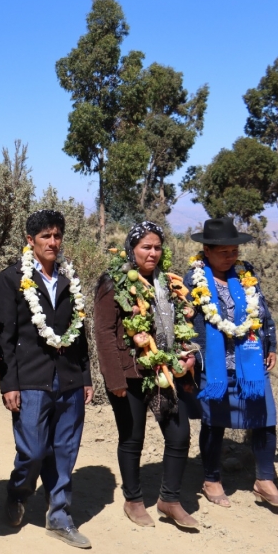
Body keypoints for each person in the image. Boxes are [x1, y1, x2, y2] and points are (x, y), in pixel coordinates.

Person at [0, 209, 93, 549]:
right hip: (31, 378)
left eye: (57, 235)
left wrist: (86, 376)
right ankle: (19, 490)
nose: (53, 242)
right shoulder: (11, 279)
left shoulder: (68, 277)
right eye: (46, 236)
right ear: (30, 240)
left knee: (65, 449)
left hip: (69, 379)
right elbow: (3, 337)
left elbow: (80, 333)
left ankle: (59, 515)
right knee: (33, 451)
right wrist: (9, 384)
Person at [94, 221, 199, 529]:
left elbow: (178, 325)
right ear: (132, 249)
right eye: (145, 247)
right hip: (129, 374)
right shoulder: (112, 282)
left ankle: (169, 499)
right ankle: (134, 499)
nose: (152, 253)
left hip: (163, 371)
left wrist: (185, 362)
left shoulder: (167, 283)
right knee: (132, 437)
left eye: (157, 247)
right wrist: (113, 379)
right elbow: (103, 332)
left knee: (179, 436)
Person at [184, 217, 278, 510]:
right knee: (214, 422)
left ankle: (264, 480)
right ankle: (211, 478)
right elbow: (186, 323)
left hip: (249, 361)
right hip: (214, 363)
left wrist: (271, 344)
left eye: (234, 251)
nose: (231, 257)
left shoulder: (245, 273)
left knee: (265, 418)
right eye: (224, 252)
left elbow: (262, 311)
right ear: (207, 251)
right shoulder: (193, 280)